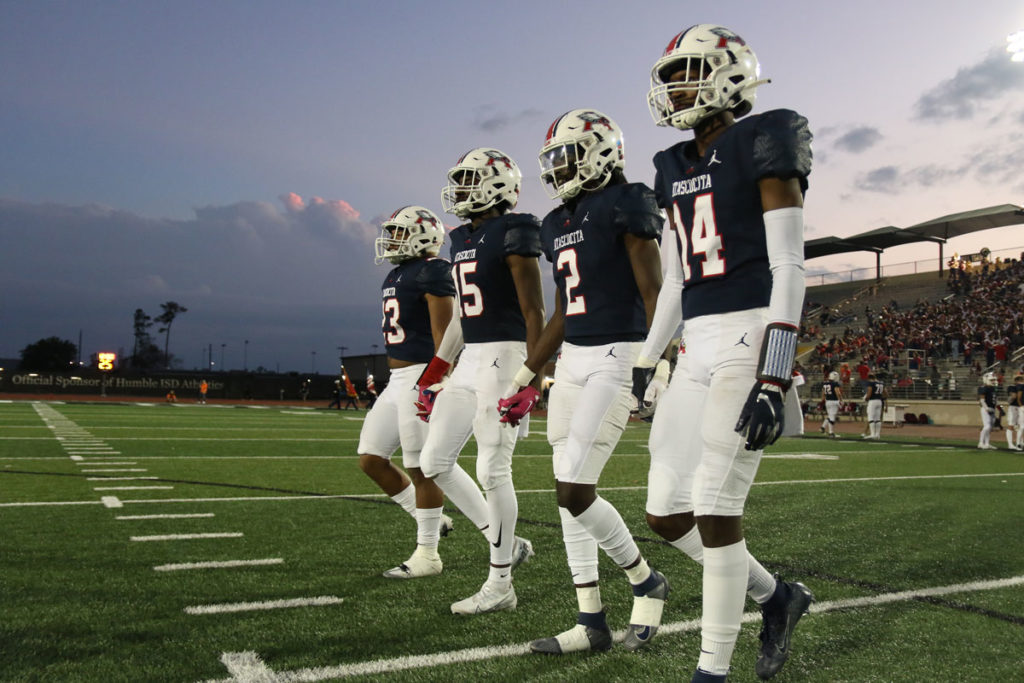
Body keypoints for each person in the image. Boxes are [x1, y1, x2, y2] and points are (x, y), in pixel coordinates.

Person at [637, 24, 814, 681]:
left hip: (750, 335)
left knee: (715, 505)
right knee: (666, 512)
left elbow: (791, 265)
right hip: (697, 345)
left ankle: (712, 670)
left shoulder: (764, 138)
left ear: (727, 74)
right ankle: (778, 596)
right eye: (672, 76)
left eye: (687, 72)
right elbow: (678, 280)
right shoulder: (671, 166)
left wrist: (775, 373)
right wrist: (649, 357)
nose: (676, 87)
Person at [498, 109, 666, 654]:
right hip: (572, 359)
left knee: (574, 486)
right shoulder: (557, 222)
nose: (557, 169)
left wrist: (659, 358)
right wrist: (529, 373)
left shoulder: (627, 201)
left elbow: (654, 290)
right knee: (563, 488)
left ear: (600, 151)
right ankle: (589, 619)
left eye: (566, 155)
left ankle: (644, 579)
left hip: (619, 355)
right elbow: (565, 311)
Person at [416, 148, 546, 614]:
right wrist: (435, 372)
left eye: (472, 180)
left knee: (493, 469)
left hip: (506, 359)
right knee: (434, 461)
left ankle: (501, 584)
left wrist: (533, 375)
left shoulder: (515, 231)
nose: (462, 189)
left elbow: (535, 309)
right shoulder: (461, 238)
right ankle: (505, 543)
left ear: (498, 185)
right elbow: (461, 320)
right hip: (471, 359)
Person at [357, 206, 457, 578]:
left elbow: (445, 336)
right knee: (371, 458)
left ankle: (428, 555)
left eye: (399, 233)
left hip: (422, 374)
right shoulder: (396, 274)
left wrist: (438, 380)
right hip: (396, 380)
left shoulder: (434, 270)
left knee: (421, 468)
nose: (392, 239)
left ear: (422, 235)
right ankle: (430, 518)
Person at [862, 372, 887, 440]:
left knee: (871, 417)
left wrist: (866, 398)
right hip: (879, 401)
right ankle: (877, 434)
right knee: (878, 418)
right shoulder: (881, 383)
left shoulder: (871, 383)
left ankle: (872, 434)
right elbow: (886, 394)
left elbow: (869, 392)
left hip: (872, 401)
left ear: (869, 378)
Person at [977, 371, 998, 450]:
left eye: (994, 380)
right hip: (985, 409)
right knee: (987, 426)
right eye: (991, 380)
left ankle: (987, 443)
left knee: (990, 427)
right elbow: (982, 400)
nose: (993, 381)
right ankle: (980, 442)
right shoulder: (983, 388)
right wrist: (986, 408)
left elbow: (996, 400)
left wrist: (1000, 408)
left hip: (992, 408)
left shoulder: (992, 388)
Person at [820, 370, 844, 438]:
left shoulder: (825, 384)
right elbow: (838, 393)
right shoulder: (835, 384)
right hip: (834, 401)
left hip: (827, 401)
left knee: (830, 416)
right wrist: (841, 400)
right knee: (832, 417)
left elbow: (823, 393)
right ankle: (831, 433)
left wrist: (822, 400)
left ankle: (823, 427)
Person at [1008, 373, 1024, 451]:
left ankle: (1020, 442)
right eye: (1018, 379)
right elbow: (1013, 397)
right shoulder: (1012, 387)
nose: (1020, 381)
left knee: (1020, 426)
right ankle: (1010, 444)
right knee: (1011, 425)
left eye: (1021, 379)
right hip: (1014, 407)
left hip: (1020, 407)